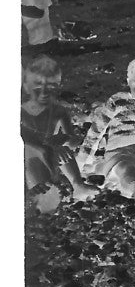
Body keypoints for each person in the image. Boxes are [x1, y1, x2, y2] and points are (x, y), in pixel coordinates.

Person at [21, 54, 94, 201]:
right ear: (26, 87)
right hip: (31, 155)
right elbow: (25, 140)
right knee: (38, 158)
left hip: (51, 153)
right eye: (37, 87)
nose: (44, 92)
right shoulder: (21, 111)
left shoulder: (59, 111)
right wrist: (48, 146)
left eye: (51, 87)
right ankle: (37, 185)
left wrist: (64, 138)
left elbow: (73, 140)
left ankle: (77, 184)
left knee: (64, 150)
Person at [78, 55, 135, 171]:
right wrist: (81, 160)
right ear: (128, 82)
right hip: (120, 146)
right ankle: (134, 186)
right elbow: (96, 130)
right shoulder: (118, 100)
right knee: (126, 169)